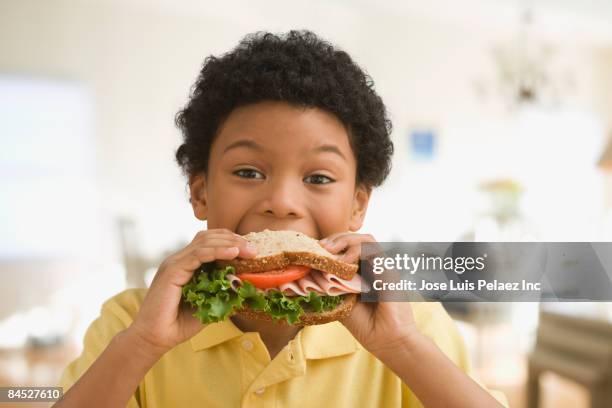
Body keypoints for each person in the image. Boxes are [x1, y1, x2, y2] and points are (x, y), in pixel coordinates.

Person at [56, 30, 507, 407]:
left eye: (318, 176)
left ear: (357, 206)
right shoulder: (130, 322)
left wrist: (403, 348)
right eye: (248, 172)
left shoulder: (413, 326)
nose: (282, 202)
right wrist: (143, 345)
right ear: (200, 193)